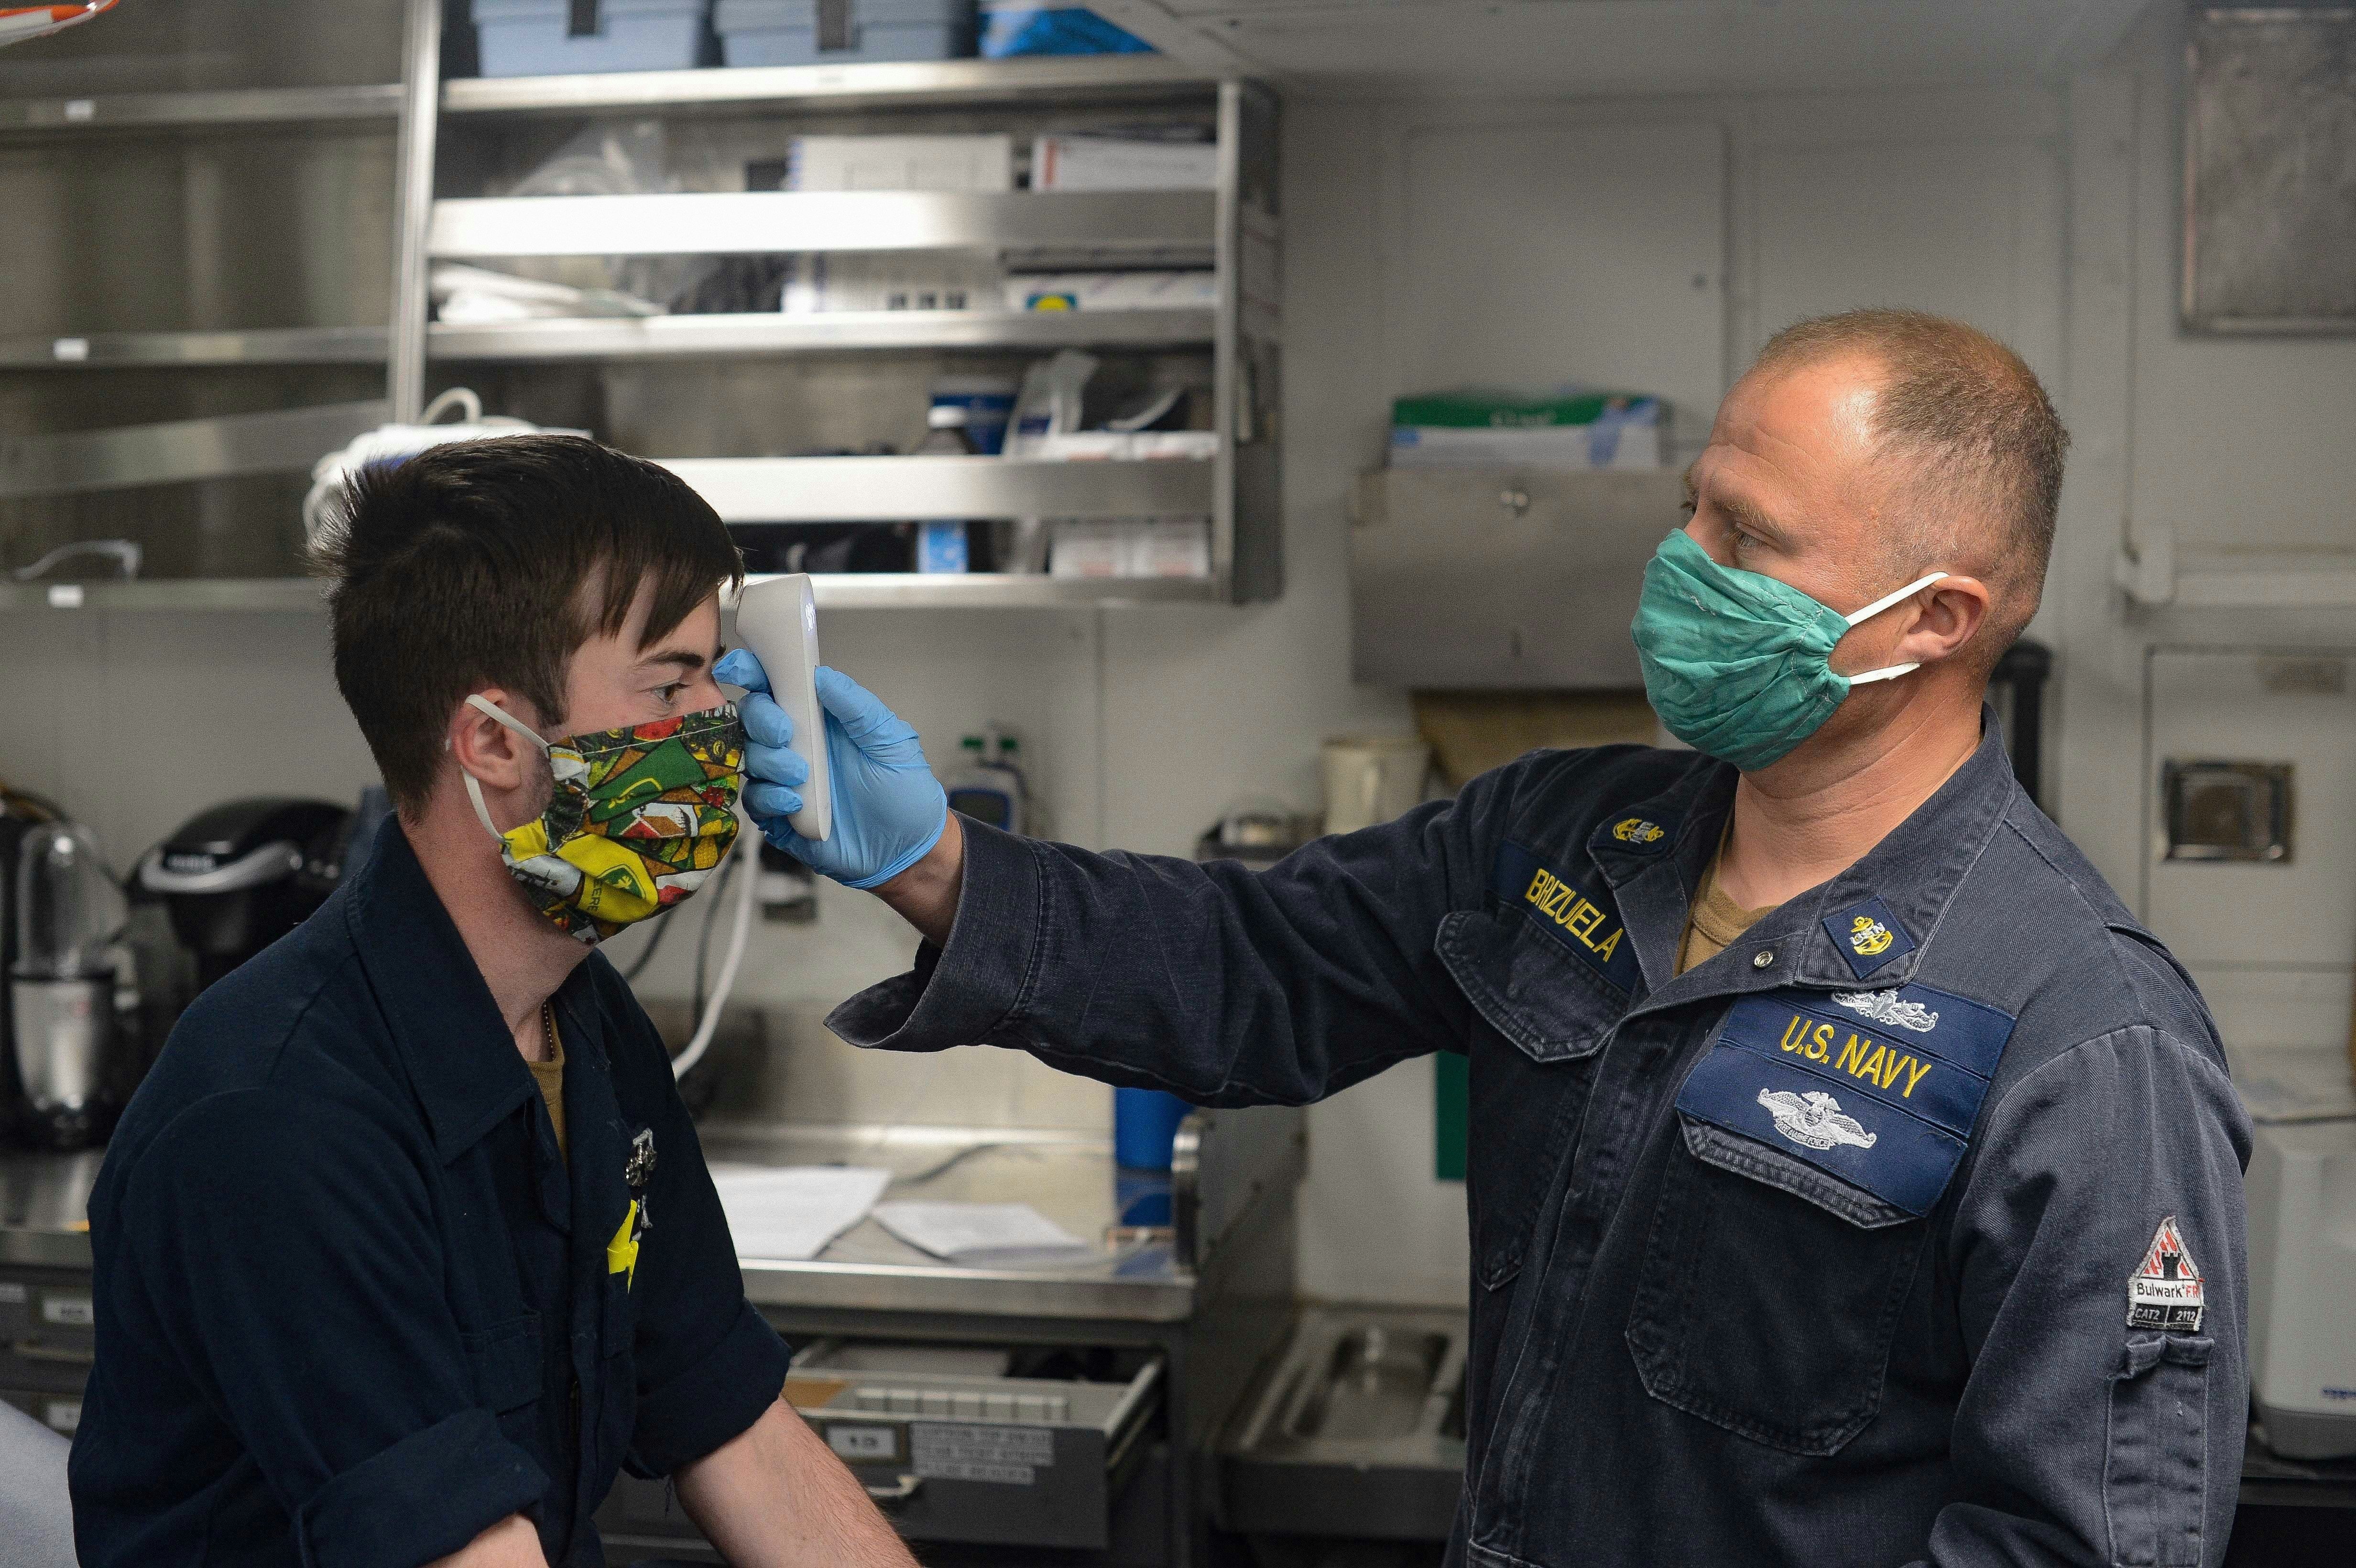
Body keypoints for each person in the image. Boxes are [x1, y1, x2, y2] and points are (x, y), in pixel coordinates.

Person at [721, 310, 2252, 1567]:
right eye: (1693, 508)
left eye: (1752, 537)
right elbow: (1253, 965)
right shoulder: (1563, 836)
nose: (1684, 566)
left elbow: (2085, 1548)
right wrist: (931, 862)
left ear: (1937, 619)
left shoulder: (2088, 1040)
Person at [70, 437, 917, 1568]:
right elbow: (461, 1547)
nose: (726, 723)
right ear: (491, 742)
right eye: (673, 685)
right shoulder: (273, 1119)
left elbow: (734, 1425)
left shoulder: (582, 1019)